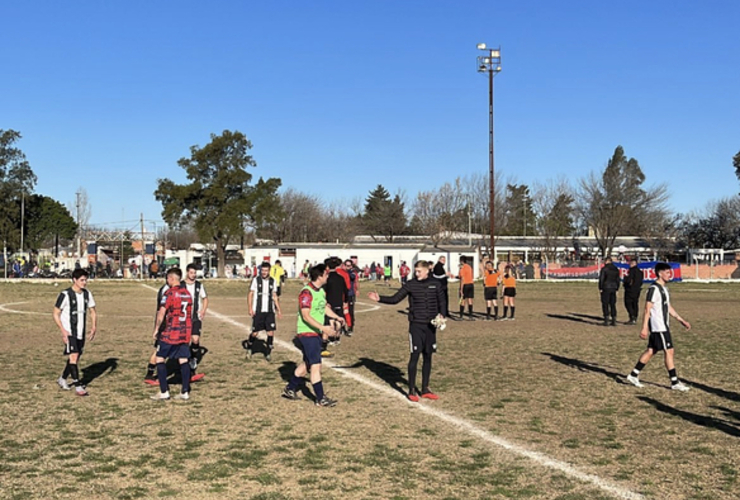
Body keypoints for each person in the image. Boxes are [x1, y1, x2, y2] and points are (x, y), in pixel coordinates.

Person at [368, 260, 446, 402]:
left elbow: (442, 301)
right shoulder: (411, 284)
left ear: (427, 270)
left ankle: (425, 389)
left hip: (431, 326)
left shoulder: (436, 284)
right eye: (415, 271)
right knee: (415, 356)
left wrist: (442, 315)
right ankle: (411, 390)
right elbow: (395, 299)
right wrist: (380, 298)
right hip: (416, 325)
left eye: (419, 271)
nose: (416, 274)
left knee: (428, 356)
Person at [281, 263, 343, 407]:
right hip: (307, 333)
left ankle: (290, 388)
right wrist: (323, 328)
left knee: (308, 364)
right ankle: (320, 398)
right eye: (326, 274)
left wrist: (337, 317)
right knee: (316, 366)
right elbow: (306, 315)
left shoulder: (320, 291)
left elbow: (324, 309)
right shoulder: (306, 292)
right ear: (320, 276)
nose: (328, 276)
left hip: (315, 333)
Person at [626, 262, 692, 391]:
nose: (670, 275)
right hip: (658, 326)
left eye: (670, 272)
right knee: (669, 351)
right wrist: (644, 327)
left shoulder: (664, 289)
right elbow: (647, 309)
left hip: (663, 325)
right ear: (660, 273)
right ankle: (674, 382)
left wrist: (680, 319)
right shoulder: (653, 289)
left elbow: (668, 307)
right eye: (667, 272)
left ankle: (633, 375)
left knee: (652, 350)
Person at [151, 268, 194, 400]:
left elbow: (162, 312)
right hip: (185, 331)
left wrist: (157, 328)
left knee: (160, 358)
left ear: (171, 279)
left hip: (171, 331)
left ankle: (164, 391)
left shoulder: (169, 293)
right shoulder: (187, 294)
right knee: (183, 359)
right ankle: (185, 391)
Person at [54, 268, 98, 396]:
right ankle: (78, 385)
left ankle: (62, 378)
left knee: (76, 357)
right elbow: (56, 313)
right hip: (69, 332)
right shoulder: (65, 294)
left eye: (86, 280)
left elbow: (93, 311)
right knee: (73, 356)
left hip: (81, 331)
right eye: (82, 280)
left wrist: (94, 327)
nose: (84, 283)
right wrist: (63, 330)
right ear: (74, 280)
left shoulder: (87, 294)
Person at [245, 262, 282, 361]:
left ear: (269, 271)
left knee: (270, 332)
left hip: (270, 311)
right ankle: (249, 347)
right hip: (258, 310)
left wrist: (278, 309)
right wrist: (250, 308)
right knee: (255, 333)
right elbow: (250, 294)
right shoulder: (256, 280)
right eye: (263, 270)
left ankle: (268, 353)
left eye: (266, 271)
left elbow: (274, 296)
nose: (264, 272)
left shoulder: (273, 281)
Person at [183, 263, 208, 379]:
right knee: (183, 341)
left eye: (195, 273)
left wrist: (203, 310)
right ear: (187, 272)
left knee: (195, 339)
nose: (193, 275)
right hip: (183, 317)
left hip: (195, 317)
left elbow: (205, 298)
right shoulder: (181, 285)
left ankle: (193, 358)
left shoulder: (199, 285)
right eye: (191, 273)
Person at [322, 257, 348, 354]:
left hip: (330, 302)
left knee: (331, 321)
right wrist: (345, 301)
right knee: (339, 320)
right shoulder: (341, 278)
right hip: (339, 302)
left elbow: (324, 290)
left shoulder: (327, 278)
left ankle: (331, 338)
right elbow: (346, 291)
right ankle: (337, 338)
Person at [598, 257, 621, 326]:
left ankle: (606, 318)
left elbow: (602, 279)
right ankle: (614, 319)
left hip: (606, 287)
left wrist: (600, 287)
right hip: (613, 288)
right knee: (612, 304)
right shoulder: (615, 269)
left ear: (607, 261)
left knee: (605, 303)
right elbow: (618, 279)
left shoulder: (604, 269)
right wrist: (617, 287)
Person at [623, 258, 644, 325]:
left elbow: (629, 280)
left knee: (628, 303)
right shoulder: (640, 272)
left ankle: (632, 317)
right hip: (637, 290)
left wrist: (625, 280)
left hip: (630, 290)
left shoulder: (632, 271)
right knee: (635, 303)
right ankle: (635, 317)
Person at [343, 259, 358, 335]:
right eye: (346, 265)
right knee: (342, 312)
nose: (347, 267)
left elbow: (352, 277)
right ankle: (342, 327)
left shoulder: (352, 272)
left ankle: (350, 327)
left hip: (350, 294)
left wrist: (346, 272)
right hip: (343, 294)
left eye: (349, 266)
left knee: (350, 312)